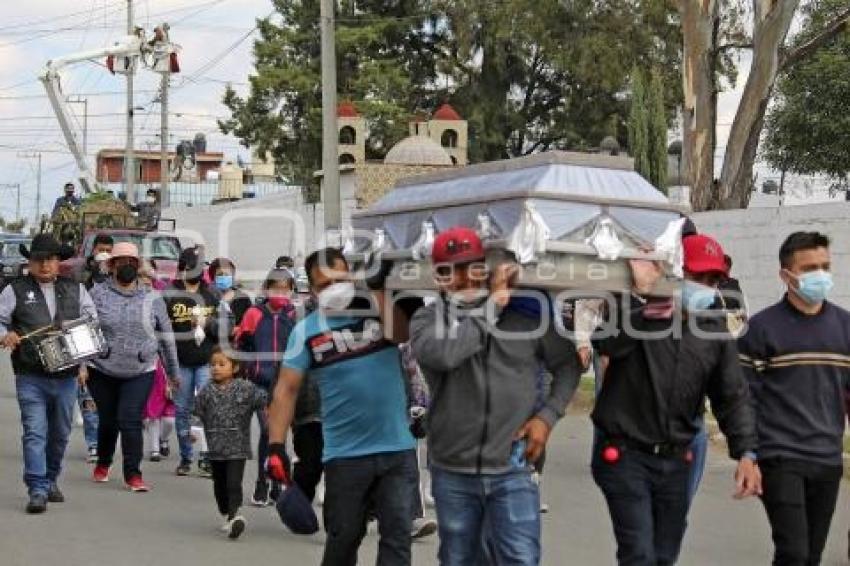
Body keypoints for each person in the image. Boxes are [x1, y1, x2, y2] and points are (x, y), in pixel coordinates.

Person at [409, 226, 581, 565]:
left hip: (513, 467)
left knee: (520, 559)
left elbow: (569, 366)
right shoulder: (427, 320)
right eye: (449, 270)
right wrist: (492, 306)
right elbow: (446, 354)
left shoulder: (524, 320)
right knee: (460, 560)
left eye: (470, 268)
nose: (461, 279)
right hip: (452, 470)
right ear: (437, 276)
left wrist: (547, 419)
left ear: (484, 269)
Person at [590, 233, 761, 565]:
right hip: (624, 455)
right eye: (696, 277)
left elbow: (732, 396)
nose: (704, 286)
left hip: (677, 460)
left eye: (712, 280)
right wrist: (646, 299)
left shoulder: (715, 331)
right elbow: (606, 343)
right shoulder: (635, 307)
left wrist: (746, 453)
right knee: (638, 553)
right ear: (676, 273)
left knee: (665, 555)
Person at [266, 247, 417, 564]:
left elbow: (401, 333)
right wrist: (276, 446)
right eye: (323, 284)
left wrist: (377, 286)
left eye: (340, 279)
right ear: (311, 289)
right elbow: (286, 389)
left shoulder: (377, 311)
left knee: (397, 541)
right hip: (345, 457)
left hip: (397, 451)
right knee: (343, 540)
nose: (333, 289)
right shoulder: (305, 331)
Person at [738, 231, 850, 566]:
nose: (820, 274)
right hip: (779, 456)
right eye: (810, 267)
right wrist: (747, 455)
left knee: (811, 556)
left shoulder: (845, 328)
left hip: (828, 458)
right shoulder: (760, 329)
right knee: (793, 552)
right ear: (787, 275)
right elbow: (744, 399)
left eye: (825, 266)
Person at [0, 233, 97, 513]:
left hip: (66, 377)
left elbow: (92, 324)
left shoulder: (76, 290)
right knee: (35, 432)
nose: (44, 265)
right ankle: (37, 488)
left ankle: (51, 478)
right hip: (30, 376)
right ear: (29, 262)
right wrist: (6, 335)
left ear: (58, 263)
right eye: (39, 260)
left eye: (50, 259)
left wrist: (84, 366)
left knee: (60, 433)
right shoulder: (14, 290)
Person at [88, 242, 180, 491]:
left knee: (129, 419)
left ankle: (133, 474)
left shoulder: (152, 298)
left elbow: (166, 336)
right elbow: (85, 330)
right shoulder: (97, 294)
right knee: (108, 421)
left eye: (131, 262)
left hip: (140, 370)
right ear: (111, 266)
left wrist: (173, 373)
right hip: (102, 369)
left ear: (138, 266)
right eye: (120, 262)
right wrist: (82, 365)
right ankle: (104, 462)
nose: (126, 266)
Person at [235, 267, 300, 506]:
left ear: (292, 291)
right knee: (268, 430)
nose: (280, 293)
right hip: (260, 382)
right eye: (275, 289)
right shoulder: (254, 313)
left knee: (281, 435)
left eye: (285, 289)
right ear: (266, 289)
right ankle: (262, 483)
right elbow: (241, 344)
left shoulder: (294, 316)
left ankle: (276, 482)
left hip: (287, 383)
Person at [165, 246, 226, 477]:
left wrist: (206, 323)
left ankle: (206, 455)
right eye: (191, 267)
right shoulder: (171, 293)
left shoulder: (213, 294)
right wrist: (167, 369)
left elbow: (226, 328)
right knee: (182, 410)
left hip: (206, 360)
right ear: (182, 268)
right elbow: (163, 330)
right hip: (180, 360)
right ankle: (185, 456)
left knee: (207, 408)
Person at [194, 346, 268, 540]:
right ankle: (226, 511)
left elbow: (265, 400)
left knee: (234, 483)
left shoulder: (246, 388)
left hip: (238, 447)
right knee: (220, 485)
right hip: (216, 448)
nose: (216, 368)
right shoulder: (206, 391)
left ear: (234, 368)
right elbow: (197, 413)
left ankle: (236, 516)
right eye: (213, 365)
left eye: (221, 364)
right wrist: (190, 432)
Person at [208, 257, 253, 328]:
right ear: (213, 278)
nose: (224, 277)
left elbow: (250, 324)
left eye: (227, 274)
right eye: (220, 274)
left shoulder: (243, 299)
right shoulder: (207, 298)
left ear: (233, 276)